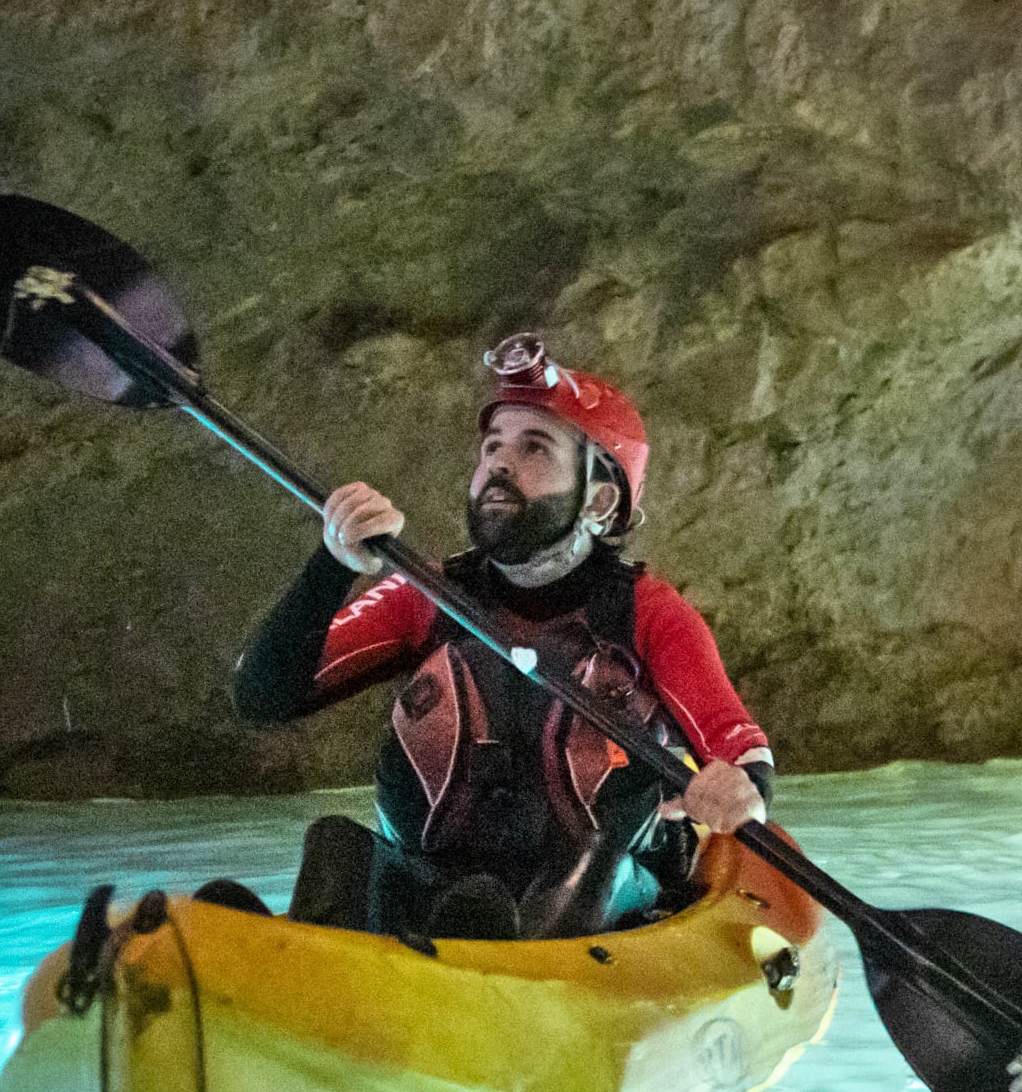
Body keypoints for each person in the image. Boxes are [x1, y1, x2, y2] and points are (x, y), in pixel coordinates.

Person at [230, 335, 774, 946]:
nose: (499, 464)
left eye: (534, 448)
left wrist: (742, 786)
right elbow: (262, 696)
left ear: (599, 499)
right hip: (440, 889)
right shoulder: (424, 594)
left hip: (600, 907)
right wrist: (332, 565)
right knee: (336, 847)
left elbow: (734, 739)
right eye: (492, 448)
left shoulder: (650, 614)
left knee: (581, 872)